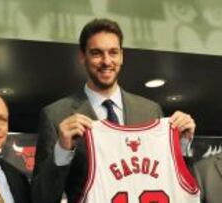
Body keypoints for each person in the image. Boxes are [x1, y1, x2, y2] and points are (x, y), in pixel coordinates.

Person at [32, 18, 196, 203]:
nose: (106, 61)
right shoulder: (56, 115)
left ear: (122, 56)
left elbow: (176, 183)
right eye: (96, 53)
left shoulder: (150, 111)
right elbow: (40, 198)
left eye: (113, 52)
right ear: (82, 57)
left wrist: (182, 145)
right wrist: (62, 150)